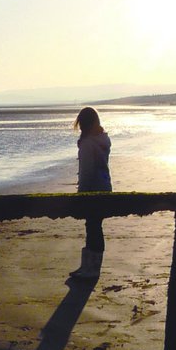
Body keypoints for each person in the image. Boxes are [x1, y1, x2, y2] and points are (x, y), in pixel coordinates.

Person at [70, 106, 111, 279]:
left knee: (92, 227)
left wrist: (81, 194)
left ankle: (91, 269)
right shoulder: (102, 140)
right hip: (104, 187)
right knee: (95, 226)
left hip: (93, 189)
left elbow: (86, 171)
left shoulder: (87, 144)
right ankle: (89, 266)